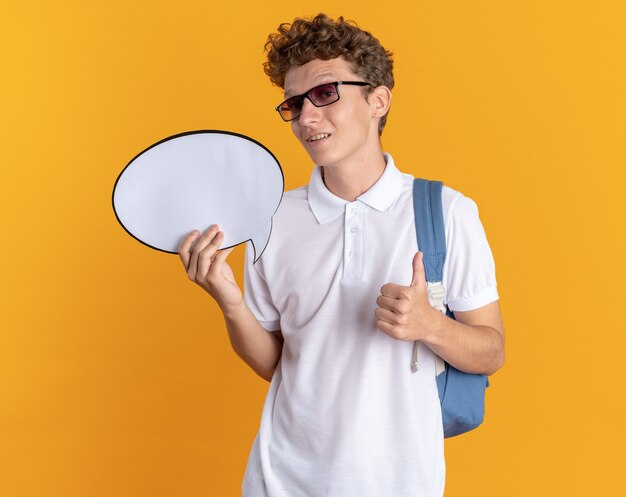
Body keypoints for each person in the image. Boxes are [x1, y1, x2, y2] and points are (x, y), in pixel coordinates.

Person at [178, 13, 504, 497]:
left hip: (401, 483)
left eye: (325, 93)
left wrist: (429, 325)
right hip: (280, 481)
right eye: (293, 103)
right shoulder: (270, 220)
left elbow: (491, 351)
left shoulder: (446, 211)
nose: (306, 117)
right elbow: (277, 363)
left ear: (378, 99)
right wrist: (229, 301)